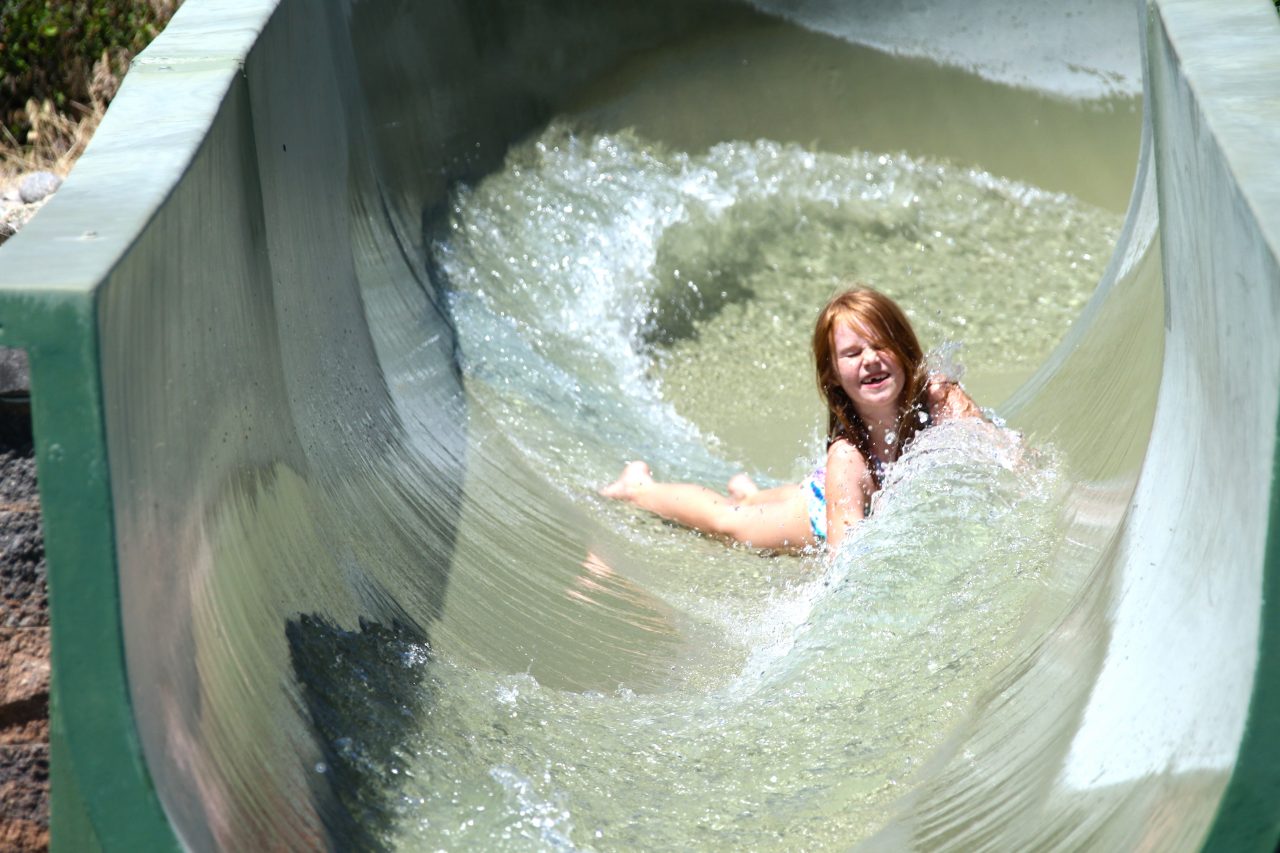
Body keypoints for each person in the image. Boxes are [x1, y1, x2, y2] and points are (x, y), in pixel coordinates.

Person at [600, 286, 982, 553]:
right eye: (852, 353)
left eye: (882, 344)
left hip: (833, 488)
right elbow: (845, 559)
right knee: (731, 522)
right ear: (832, 374)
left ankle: (750, 493)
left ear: (904, 348)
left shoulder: (940, 396)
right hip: (822, 509)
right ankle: (639, 489)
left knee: (765, 499)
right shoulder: (847, 459)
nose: (870, 359)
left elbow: (999, 451)